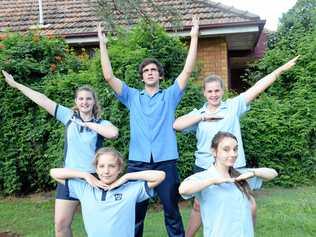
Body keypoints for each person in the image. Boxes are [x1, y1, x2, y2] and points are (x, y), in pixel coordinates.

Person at [173, 55, 299, 236]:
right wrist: (202, 117)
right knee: (199, 207)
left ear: (223, 91)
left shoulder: (233, 106)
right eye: (210, 91)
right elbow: (176, 125)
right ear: (204, 93)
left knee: (247, 204)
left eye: (217, 91)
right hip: (205, 166)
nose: (214, 94)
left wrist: (279, 70)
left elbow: (257, 88)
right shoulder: (198, 113)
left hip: (234, 164)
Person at [98, 15, 199, 237]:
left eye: (153, 70)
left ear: (160, 75)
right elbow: (108, 76)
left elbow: (187, 71)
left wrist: (194, 36)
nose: (150, 72)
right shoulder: (132, 97)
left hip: (166, 161)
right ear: (142, 77)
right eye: (146, 71)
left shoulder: (170, 96)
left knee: (172, 211)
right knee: (135, 213)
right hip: (138, 163)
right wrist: (102, 45)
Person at [1, 70, 119, 237]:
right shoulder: (68, 116)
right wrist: (16, 85)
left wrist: (88, 124)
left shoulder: (101, 123)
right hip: (69, 177)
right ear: (76, 101)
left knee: (98, 228)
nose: (84, 102)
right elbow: (42, 100)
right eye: (81, 99)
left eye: (88, 98)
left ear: (94, 102)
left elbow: (113, 134)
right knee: (61, 226)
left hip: (93, 179)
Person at [179, 131, 278, 237]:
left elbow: (273, 173)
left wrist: (253, 173)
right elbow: (183, 189)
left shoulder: (242, 175)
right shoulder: (204, 177)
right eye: (226, 149)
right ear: (214, 151)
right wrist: (213, 181)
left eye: (235, 149)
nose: (233, 154)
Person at [50, 147, 165, 237]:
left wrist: (127, 177)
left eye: (112, 166)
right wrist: (85, 175)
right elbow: (54, 172)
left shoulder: (131, 189)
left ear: (119, 169)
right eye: (101, 166)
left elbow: (160, 175)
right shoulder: (85, 189)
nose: (106, 171)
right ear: (96, 168)